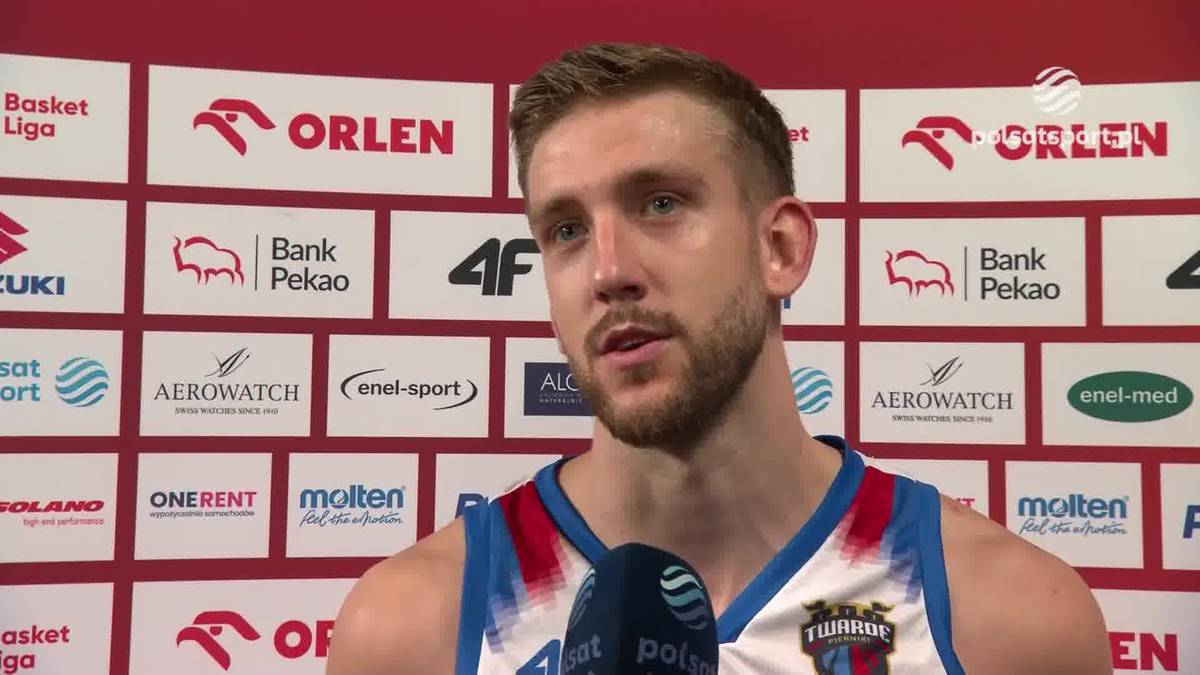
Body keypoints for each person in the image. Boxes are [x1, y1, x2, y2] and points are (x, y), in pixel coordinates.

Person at [326, 43, 1111, 674]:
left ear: (781, 248)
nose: (608, 270)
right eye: (566, 229)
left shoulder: (1010, 620)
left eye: (661, 203)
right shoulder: (409, 630)